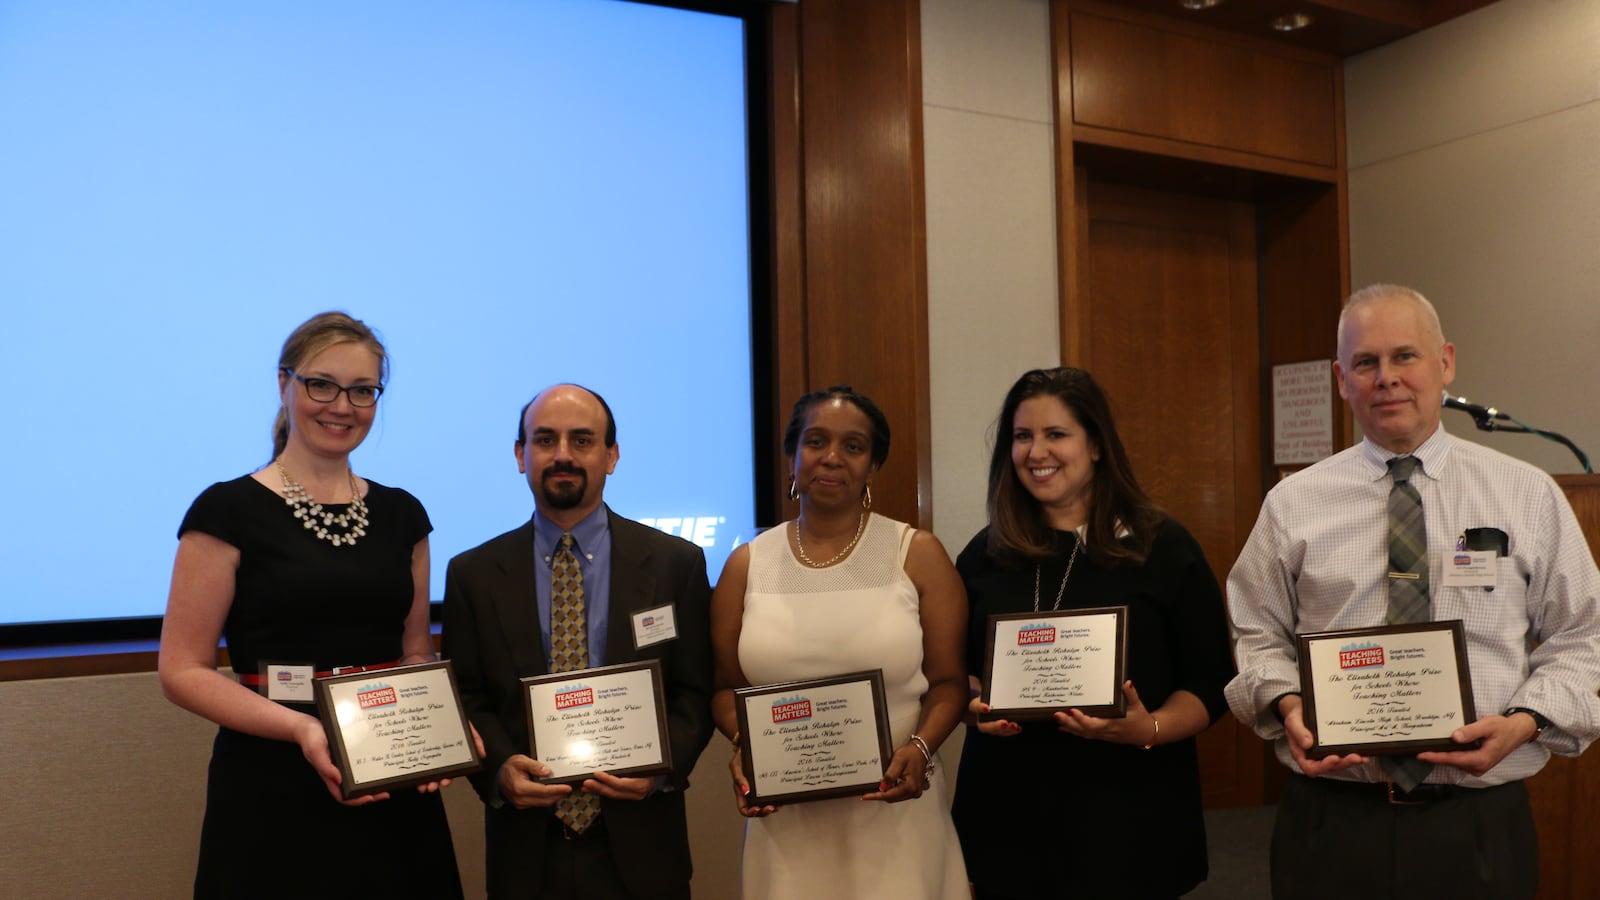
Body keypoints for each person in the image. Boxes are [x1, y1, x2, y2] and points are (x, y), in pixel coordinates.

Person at [1226, 284, 1600, 899]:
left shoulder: (1526, 494)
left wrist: (1526, 720)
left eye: (1406, 356)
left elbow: (1581, 634)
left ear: (1445, 362)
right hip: (1331, 816)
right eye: (1366, 363)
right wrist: (1289, 706)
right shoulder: (1292, 503)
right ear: (1341, 378)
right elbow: (1255, 632)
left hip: (1477, 821)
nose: (1387, 379)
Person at [158, 311, 463, 899]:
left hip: (389, 777)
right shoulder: (225, 511)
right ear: (284, 385)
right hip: (271, 783)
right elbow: (181, 671)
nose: (341, 406)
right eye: (321, 384)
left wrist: (445, 725)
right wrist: (304, 730)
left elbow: (414, 655)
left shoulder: (405, 515)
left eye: (362, 390)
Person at [950, 367, 1235, 899]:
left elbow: (1212, 681)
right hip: (1009, 817)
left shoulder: (1163, 548)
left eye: (1056, 434)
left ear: (1098, 445)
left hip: (1128, 816)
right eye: (1022, 436)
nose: (1037, 452)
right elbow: (954, 673)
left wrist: (1147, 728)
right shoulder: (986, 553)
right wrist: (971, 705)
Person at [442, 383, 714, 900]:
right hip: (526, 848)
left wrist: (659, 772)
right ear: (521, 456)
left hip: (642, 844)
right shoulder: (473, 573)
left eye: (582, 440)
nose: (562, 454)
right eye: (545, 440)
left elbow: (694, 692)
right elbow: (467, 695)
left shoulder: (675, 564)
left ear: (611, 456)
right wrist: (499, 770)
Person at [709, 385, 970, 900]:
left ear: (873, 466)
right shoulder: (746, 564)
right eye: (815, 442)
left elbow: (948, 684)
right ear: (791, 456)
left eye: (853, 446)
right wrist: (746, 746)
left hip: (897, 817)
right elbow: (724, 689)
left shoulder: (916, 554)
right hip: (786, 825)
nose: (832, 457)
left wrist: (921, 748)